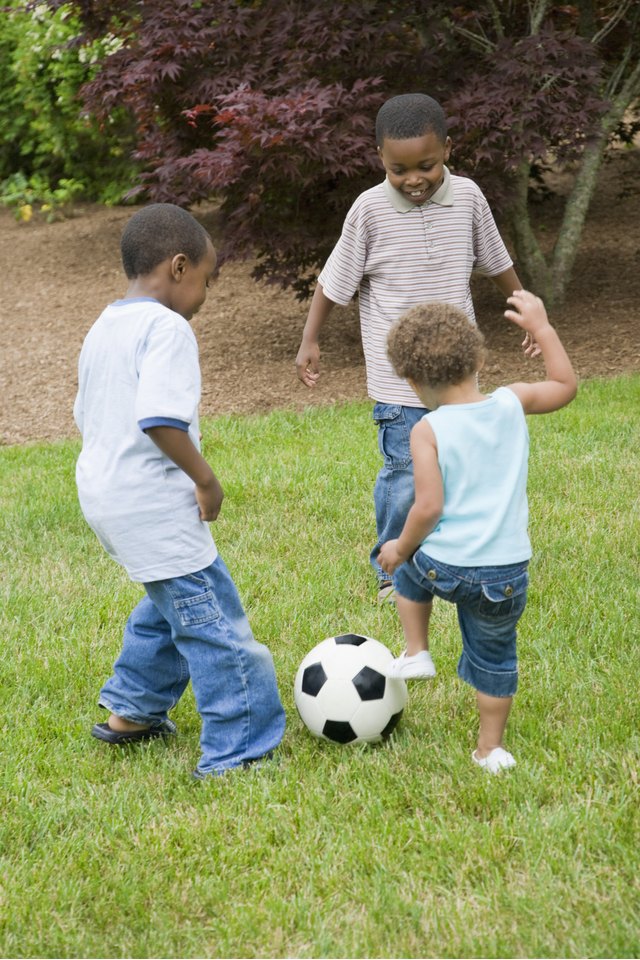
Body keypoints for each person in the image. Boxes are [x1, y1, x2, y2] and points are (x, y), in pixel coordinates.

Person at [73, 203, 286, 779]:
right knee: (214, 623)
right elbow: (160, 421)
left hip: (106, 494)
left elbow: (88, 415)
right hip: (152, 501)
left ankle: (133, 713)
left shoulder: (106, 324)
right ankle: (239, 748)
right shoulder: (167, 329)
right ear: (178, 266)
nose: (206, 297)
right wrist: (205, 478)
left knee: (169, 601)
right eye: (207, 281)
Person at [295, 92, 530, 601]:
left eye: (426, 164)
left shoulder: (468, 197)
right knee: (405, 476)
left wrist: (527, 313)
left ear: (447, 148)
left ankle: (448, 555)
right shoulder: (369, 211)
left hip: (460, 375)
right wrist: (310, 339)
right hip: (397, 380)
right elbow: (334, 282)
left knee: (456, 467)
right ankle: (393, 566)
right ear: (380, 157)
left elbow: (495, 262)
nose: (414, 179)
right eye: (399, 169)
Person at [377, 292, 577, 773]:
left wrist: (399, 549)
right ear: (479, 358)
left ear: (411, 381)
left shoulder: (428, 428)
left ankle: (417, 651)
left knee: (406, 566)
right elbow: (565, 385)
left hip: (444, 568)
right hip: (504, 574)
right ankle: (491, 750)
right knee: (495, 659)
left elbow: (428, 507)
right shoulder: (511, 403)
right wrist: (543, 329)